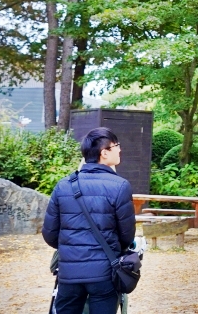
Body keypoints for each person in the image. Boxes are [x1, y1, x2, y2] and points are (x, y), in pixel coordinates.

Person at [42, 127, 136, 314]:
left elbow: (50, 234)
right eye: (116, 146)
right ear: (104, 152)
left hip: (69, 274)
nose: (120, 150)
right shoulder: (120, 186)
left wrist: (71, 250)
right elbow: (127, 236)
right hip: (104, 274)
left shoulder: (64, 185)